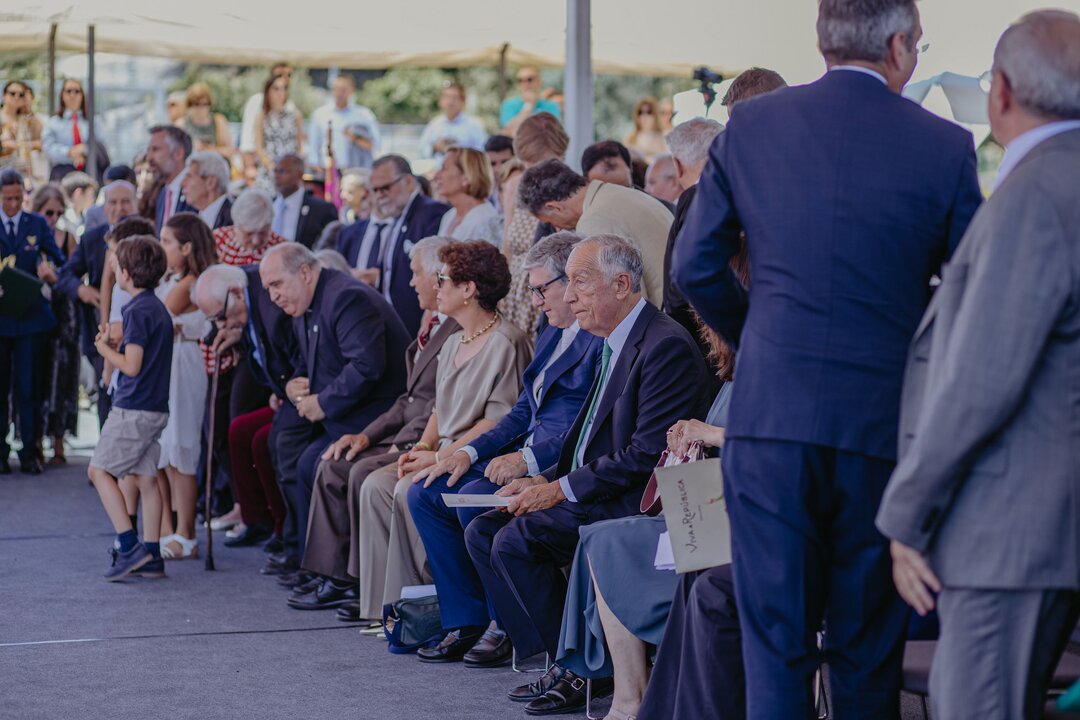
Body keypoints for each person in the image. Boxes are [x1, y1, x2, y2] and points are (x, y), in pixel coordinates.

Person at [673, 0, 984, 716]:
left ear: (822, 43)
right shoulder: (943, 145)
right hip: (881, 425)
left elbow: (694, 265)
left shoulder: (752, 127)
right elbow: (973, 292)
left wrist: (759, 339)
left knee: (774, 649)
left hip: (770, 422)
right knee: (867, 651)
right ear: (899, 45)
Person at [876, 11, 1080, 720]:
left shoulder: (1036, 195)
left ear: (1002, 92)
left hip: (1012, 529)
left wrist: (906, 511)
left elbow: (982, 381)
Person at [466, 235, 707, 716]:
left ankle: (584, 669)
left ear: (621, 284)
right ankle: (565, 658)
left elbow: (645, 456)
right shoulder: (612, 339)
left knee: (517, 540)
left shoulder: (663, 345)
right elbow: (589, 441)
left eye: (580, 282)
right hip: (601, 484)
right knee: (483, 529)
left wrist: (559, 489)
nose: (569, 295)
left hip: (638, 497)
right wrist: (543, 480)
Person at [407, 231, 601, 666]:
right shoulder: (551, 331)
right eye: (532, 290)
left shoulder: (594, 337)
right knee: (425, 493)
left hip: (553, 464)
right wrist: (466, 454)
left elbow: (584, 424)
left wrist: (527, 460)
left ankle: (505, 624)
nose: (535, 301)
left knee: (475, 501)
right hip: (518, 454)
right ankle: (465, 618)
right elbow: (522, 411)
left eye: (541, 290)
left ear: (572, 282)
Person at [317, 240, 530, 619]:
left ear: (469, 289)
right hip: (443, 451)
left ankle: (428, 607)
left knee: (405, 488)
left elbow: (496, 421)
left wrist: (442, 456)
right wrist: (423, 447)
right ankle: (388, 609)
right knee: (377, 485)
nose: (435, 286)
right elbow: (437, 409)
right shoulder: (453, 341)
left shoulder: (506, 342)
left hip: (478, 455)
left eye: (443, 280)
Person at [288, 237, 460, 606]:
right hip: (404, 426)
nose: (410, 282)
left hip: (426, 437)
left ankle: (357, 582)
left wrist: (408, 443)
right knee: (335, 460)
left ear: (438, 277)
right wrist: (365, 436)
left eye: (415, 273)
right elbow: (407, 399)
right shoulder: (433, 322)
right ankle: (333, 575)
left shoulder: (459, 329)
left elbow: (440, 406)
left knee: (355, 470)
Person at [261, 242, 410, 576]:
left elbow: (367, 365)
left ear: (304, 272)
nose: (273, 296)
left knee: (315, 464)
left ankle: (337, 576)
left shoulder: (346, 297)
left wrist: (322, 402)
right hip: (347, 412)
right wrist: (293, 385)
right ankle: (311, 566)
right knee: (290, 450)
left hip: (378, 416)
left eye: (277, 284)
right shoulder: (309, 301)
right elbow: (311, 362)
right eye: (268, 288)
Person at [193, 262, 297, 551]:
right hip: (283, 392)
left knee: (267, 439)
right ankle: (255, 518)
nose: (221, 326)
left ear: (237, 293)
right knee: (238, 430)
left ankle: (285, 531)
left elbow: (292, 354)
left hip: (298, 393)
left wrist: (285, 390)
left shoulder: (267, 305)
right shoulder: (243, 304)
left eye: (221, 317)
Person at [87, 235, 172, 580]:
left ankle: (129, 544)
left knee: (99, 471)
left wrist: (104, 349)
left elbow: (132, 366)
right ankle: (152, 552)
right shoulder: (156, 308)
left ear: (125, 273)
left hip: (134, 407)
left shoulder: (136, 311)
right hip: (155, 407)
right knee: (145, 477)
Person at [519, 159, 672, 305]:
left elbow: (626, 300)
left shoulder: (593, 221)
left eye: (550, 222)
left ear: (554, 208)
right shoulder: (616, 193)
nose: (558, 229)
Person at [154, 213, 216, 560]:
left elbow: (159, 314)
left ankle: (186, 532)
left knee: (181, 445)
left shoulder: (192, 282)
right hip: (169, 362)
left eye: (167, 242)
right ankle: (168, 529)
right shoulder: (173, 277)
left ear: (187, 247)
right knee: (165, 448)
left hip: (184, 363)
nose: (162, 248)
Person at [334, 154, 450, 336]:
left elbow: (436, 270)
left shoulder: (432, 214)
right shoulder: (399, 215)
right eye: (375, 190)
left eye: (385, 188)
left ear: (408, 182)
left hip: (418, 321)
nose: (380, 195)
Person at [0, 168, 66, 475]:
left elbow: (61, 262)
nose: (13, 204)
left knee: (29, 388)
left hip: (30, 318)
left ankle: (29, 450)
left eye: (18, 198)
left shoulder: (37, 223)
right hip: (2, 318)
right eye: (7, 199)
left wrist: (50, 273)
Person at [498, 113, 571, 334]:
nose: (540, 173)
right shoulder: (515, 186)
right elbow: (507, 246)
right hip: (513, 296)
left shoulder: (570, 189)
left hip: (548, 298)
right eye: (531, 164)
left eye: (548, 163)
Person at [30, 184, 79, 464]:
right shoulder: (28, 234)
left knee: (61, 377)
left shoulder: (67, 238)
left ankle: (58, 443)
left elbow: (73, 276)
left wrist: (55, 278)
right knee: (34, 377)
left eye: (59, 213)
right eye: (49, 212)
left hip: (61, 316)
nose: (54, 218)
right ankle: (34, 440)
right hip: (33, 312)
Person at [307, 74, 379, 174]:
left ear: (352, 90)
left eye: (343, 90)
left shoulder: (364, 115)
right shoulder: (320, 114)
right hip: (327, 171)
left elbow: (375, 143)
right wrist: (316, 167)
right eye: (336, 89)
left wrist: (355, 137)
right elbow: (313, 145)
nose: (339, 93)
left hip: (356, 172)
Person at [434, 146, 500, 245]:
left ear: (466, 177)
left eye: (444, 168)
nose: (437, 175)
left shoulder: (486, 220)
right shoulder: (449, 216)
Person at [270, 154, 337, 248]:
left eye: (282, 171)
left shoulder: (321, 209)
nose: (276, 176)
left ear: (299, 174)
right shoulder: (267, 205)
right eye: (275, 171)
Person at [254, 74, 305, 193]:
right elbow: (259, 147)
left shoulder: (295, 115)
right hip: (269, 173)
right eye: (276, 89)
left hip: (290, 172)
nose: (280, 93)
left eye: (284, 88)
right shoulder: (262, 117)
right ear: (268, 91)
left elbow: (299, 147)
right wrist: (273, 168)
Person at [240, 64, 295, 172]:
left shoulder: (291, 109)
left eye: (288, 75)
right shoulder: (256, 102)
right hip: (263, 166)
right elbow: (248, 137)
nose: (285, 78)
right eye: (280, 74)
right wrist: (249, 166)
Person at [213, 188, 287, 267]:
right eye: (249, 233)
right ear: (236, 225)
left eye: (263, 233)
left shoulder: (283, 248)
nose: (256, 241)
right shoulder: (217, 241)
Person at [419, 82, 487, 162]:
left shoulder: (473, 127)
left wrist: (460, 152)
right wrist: (435, 148)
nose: (450, 102)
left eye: (455, 98)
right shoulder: (434, 125)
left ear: (463, 102)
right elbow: (421, 151)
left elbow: (482, 154)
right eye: (447, 97)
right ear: (440, 101)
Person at [146, 125, 195, 230]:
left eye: (155, 149)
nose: (149, 157)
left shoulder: (196, 192)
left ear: (178, 153)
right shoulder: (162, 195)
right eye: (148, 150)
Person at [179, 82, 234, 160]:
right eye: (197, 104)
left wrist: (212, 150)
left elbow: (230, 151)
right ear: (190, 104)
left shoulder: (219, 121)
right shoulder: (181, 124)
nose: (201, 108)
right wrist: (192, 148)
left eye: (205, 104)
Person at [500, 66, 561, 136]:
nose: (525, 84)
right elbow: (512, 132)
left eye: (529, 79)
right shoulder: (508, 105)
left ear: (539, 82)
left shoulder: (551, 106)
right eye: (520, 80)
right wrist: (528, 105)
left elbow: (552, 133)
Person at [181, 151, 233, 231]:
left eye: (189, 176)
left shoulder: (234, 219)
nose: (183, 183)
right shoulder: (193, 216)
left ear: (211, 182)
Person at [1, 81, 43, 177]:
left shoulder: (26, 120)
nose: (17, 97)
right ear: (4, 95)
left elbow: (41, 142)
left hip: (24, 174)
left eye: (21, 95)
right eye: (12, 93)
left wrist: (28, 104)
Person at [623, 97, 667, 164]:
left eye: (649, 112)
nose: (644, 116)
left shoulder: (664, 137)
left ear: (655, 115)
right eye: (640, 112)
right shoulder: (630, 138)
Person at [58, 171, 98, 238]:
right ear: (78, 193)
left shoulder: (83, 218)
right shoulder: (61, 220)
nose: (93, 199)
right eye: (91, 194)